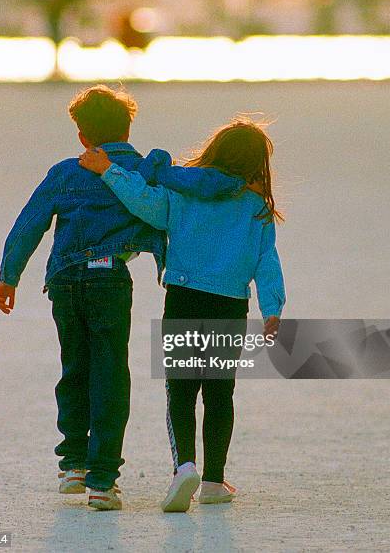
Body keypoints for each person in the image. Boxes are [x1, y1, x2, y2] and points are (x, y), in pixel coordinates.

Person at [0, 85, 243, 510]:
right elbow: (196, 187)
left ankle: (73, 461)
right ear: (128, 127)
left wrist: (8, 276)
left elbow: (28, 224)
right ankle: (102, 481)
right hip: (110, 280)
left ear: (81, 135)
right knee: (109, 375)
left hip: (65, 281)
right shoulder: (142, 169)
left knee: (74, 367)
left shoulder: (65, 171)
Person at [79, 116, 286, 512]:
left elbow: (145, 202)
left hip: (183, 297)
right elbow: (266, 261)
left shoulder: (183, 192)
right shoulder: (255, 206)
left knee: (181, 390)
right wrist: (272, 308)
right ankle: (212, 481)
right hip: (229, 304)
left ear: (214, 152)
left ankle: (184, 466)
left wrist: (109, 171)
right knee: (220, 393)